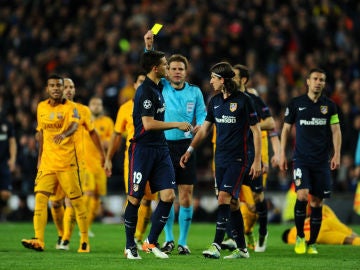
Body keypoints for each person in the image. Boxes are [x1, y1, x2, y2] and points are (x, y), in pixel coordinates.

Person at [180, 62, 262, 259]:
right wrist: (190, 149)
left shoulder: (244, 100)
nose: (210, 81)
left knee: (223, 198)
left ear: (222, 80)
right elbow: (205, 129)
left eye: (213, 78)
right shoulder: (215, 101)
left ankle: (216, 245)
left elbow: (256, 131)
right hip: (221, 160)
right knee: (232, 204)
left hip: (238, 158)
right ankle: (242, 249)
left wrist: (257, 160)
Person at [123, 50, 192, 259]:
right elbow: (148, 123)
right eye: (164, 64)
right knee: (135, 198)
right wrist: (177, 124)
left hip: (161, 149)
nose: (168, 67)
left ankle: (150, 242)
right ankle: (129, 246)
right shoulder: (144, 91)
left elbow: (150, 59)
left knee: (169, 196)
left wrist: (149, 46)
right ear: (155, 68)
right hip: (142, 149)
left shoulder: (159, 86)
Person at [144, 30, 207, 255]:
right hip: (164, 147)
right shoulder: (162, 87)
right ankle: (169, 239)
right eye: (173, 69)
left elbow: (202, 115)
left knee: (186, 194)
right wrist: (149, 47)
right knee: (167, 194)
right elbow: (149, 68)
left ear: (186, 72)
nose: (177, 72)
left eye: (181, 69)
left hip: (186, 147)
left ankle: (183, 241)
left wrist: (200, 125)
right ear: (167, 72)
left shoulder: (195, 92)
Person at [21, 74, 90, 252]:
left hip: (67, 163)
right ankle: (39, 239)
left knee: (76, 201)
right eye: (52, 85)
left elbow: (74, 125)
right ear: (47, 88)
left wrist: (64, 134)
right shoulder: (41, 107)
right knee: (41, 199)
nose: (56, 88)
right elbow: (41, 134)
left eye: (59, 85)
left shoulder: (72, 107)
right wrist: (39, 159)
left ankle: (84, 240)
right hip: (47, 164)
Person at [279, 68, 342, 255]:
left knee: (316, 202)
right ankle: (300, 236)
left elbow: (336, 130)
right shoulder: (296, 104)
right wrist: (282, 154)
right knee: (302, 195)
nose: (318, 82)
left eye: (322, 79)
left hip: (322, 161)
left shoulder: (329, 106)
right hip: (301, 160)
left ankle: (312, 243)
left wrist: (336, 154)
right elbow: (285, 129)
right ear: (307, 81)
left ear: (324, 83)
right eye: (315, 78)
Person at [221, 64, 281, 252]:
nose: (231, 78)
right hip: (235, 155)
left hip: (255, 154)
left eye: (235, 76)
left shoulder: (253, 99)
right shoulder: (225, 99)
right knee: (231, 196)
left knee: (257, 198)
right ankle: (235, 236)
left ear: (244, 80)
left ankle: (262, 232)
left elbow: (271, 123)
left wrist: (248, 126)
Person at [104, 71, 158, 250]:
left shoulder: (158, 103)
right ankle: (133, 237)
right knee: (135, 197)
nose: (144, 84)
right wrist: (109, 158)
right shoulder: (125, 108)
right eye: (141, 81)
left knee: (148, 200)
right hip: (134, 159)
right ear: (135, 85)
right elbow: (117, 135)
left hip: (154, 157)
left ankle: (140, 236)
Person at [49, 78, 104, 250]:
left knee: (71, 201)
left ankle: (66, 239)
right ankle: (61, 234)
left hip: (76, 164)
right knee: (55, 203)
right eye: (66, 87)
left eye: (72, 87)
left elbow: (93, 133)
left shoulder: (83, 110)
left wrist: (104, 155)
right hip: (54, 163)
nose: (69, 90)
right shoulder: (49, 110)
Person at [85, 97, 113, 234]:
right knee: (88, 193)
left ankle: (87, 225)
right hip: (86, 163)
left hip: (101, 164)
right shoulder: (84, 120)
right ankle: (82, 225)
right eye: (93, 104)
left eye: (99, 104)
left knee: (97, 197)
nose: (96, 106)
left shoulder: (107, 122)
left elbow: (111, 141)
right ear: (89, 106)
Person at [282, 204, 360, 246]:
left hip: (319, 234)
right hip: (325, 220)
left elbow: (302, 242)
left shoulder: (290, 237)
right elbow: (324, 208)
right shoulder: (299, 224)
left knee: (347, 240)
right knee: (351, 233)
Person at [0, 112, 17, 221]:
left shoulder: (6, 123)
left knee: (6, 193)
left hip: (3, 162)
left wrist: (13, 159)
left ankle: (3, 213)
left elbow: (12, 142)